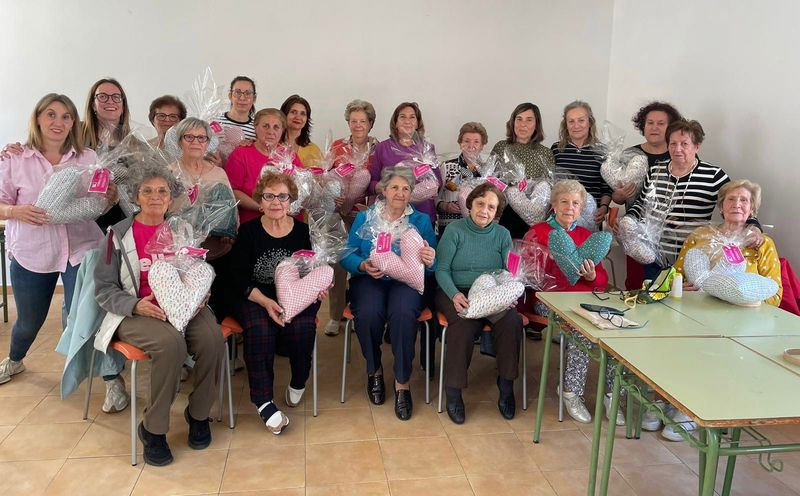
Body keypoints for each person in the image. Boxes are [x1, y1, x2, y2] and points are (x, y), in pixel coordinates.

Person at [93, 163, 224, 466]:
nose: (155, 196)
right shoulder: (117, 235)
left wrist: (199, 294)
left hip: (183, 304)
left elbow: (194, 269)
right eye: (147, 191)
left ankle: (199, 413)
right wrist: (135, 305)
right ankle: (153, 429)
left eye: (162, 191)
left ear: (170, 197)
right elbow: (103, 289)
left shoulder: (182, 229)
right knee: (170, 345)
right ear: (136, 196)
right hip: (136, 311)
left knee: (212, 338)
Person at [0, 93, 112, 385]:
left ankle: (113, 379)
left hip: (81, 248)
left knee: (90, 315)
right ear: (37, 118)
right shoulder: (14, 158)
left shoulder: (88, 158)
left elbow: (97, 201)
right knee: (29, 321)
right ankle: (15, 360)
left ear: (74, 122)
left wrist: (107, 199)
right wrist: (15, 211)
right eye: (50, 114)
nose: (58, 122)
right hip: (32, 252)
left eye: (65, 116)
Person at [229, 171, 327, 434]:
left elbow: (312, 270)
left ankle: (298, 380)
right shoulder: (248, 232)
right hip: (255, 296)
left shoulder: (304, 232)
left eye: (282, 196)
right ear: (260, 201)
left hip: (295, 295)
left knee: (301, 328)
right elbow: (237, 278)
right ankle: (263, 401)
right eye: (269, 196)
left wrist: (318, 288)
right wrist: (265, 301)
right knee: (260, 330)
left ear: (291, 201)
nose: (275, 202)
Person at [524, 180, 623, 425]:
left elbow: (601, 279)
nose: (570, 207)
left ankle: (612, 395)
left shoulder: (587, 236)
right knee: (581, 331)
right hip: (548, 299)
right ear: (554, 205)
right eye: (564, 202)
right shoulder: (537, 232)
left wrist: (591, 276)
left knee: (616, 327)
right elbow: (527, 275)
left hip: (583, 299)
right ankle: (571, 391)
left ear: (581, 209)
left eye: (575, 203)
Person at [341, 167, 437, 420]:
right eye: (395, 187)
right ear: (383, 190)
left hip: (406, 282)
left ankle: (402, 383)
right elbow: (347, 254)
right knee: (369, 313)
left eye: (406, 189)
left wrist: (430, 260)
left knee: (403, 314)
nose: (400, 193)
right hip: (369, 279)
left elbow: (432, 265)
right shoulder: (366, 217)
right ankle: (375, 371)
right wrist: (361, 265)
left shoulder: (421, 221)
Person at [436, 183, 523, 423]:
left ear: (497, 212)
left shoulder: (503, 235)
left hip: (491, 291)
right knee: (463, 326)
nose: (485, 210)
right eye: (480, 204)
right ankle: (453, 393)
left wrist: (508, 294)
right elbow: (441, 269)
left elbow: (509, 271)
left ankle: (506, 386)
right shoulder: (454, 230)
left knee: (511, 322)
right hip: (456, 289)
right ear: (470, 204)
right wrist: (454, 294)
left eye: (491, 207)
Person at [624, 119, 752, 281]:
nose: (677, 149)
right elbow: (642, 204)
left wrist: (754, 227)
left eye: (684, 144)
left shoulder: (713, 176)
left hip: (693, 258)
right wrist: (627, 220)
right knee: (654, 301)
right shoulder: (655, 170)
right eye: (673, 144)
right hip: (653, 256)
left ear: (697, 146)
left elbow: (737, 204)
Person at [612, 102, 683, 290]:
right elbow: (617, 198)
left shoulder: (679, 153)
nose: (654, 127)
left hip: (670, 234)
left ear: (671, 127)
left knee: (665, 284)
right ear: (642, 126)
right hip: (635, 231)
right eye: (650, 122)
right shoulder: (630, 155)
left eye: (661, 123)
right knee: (636, 283)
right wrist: (619, 195)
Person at [324, 99, 379, 337]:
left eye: (362, 121)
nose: (358, 125)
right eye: (353, 121)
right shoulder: (337, 147)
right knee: (336, 264)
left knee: (361, 264)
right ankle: (335, 316)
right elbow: (326, 176)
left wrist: (368, 205)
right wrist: (333, 195)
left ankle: (358, 312)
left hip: (366, 215)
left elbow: (379, 180)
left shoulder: (379, 148)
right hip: (338, 214)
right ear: (348, 122)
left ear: (370, 124)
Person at [225, 108, 303, 224]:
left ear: (282, 130)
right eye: (265, 126)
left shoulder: (290, 156)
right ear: (255, 127)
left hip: (288, 222)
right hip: (253, 223)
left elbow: (302, 189)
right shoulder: (241, 154)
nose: (270, 131)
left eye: (276, 127)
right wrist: (263, 208)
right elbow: (232, 191)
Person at [370, 102, 442, 226]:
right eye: (402, 117)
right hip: (390, 215)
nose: (407, 121)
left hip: (421, 213)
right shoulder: (382, 147)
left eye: (412, 117)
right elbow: (371, 182)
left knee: (423, 245)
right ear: (396, 122)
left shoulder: (427, 148)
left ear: (418, 123)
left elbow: (437, 181)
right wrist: (384, 187)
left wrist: (428, 189)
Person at [490, 102, 555, 239]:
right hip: (505, 215)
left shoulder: (546, 153)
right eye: (519, 119)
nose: (523, 124)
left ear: (536, 124)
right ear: (513, 122)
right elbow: (490, 179)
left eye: (529, 120)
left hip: (536, 218)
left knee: (531, 258)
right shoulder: (501, 147)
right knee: (508, 257)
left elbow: (551, 188)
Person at [551, 101, 612, 228]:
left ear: (589, 122)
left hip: (591, 218)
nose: (576, 125)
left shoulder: (602, 151)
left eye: (581, 120)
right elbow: (551, 183)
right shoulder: (556, 149)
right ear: (566, 125)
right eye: (571, 121)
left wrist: (604, 207)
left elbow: (606, 187)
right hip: (561, 219)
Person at [437, 122, 487, 233]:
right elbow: (433, 199)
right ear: (460, 143)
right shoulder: (447, 167)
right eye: (466, 141)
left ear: (482, 145)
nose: (471, 146)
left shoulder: (487, 171)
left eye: (476, 142)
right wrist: (446, 206)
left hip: (479, 229)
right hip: (450, 228)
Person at [281, 94, 323, 167]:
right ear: (284, 115)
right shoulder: (272, 145)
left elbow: (320, 176)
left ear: (307, 119)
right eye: (293, 112)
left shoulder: (313, 150)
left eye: (303, 114)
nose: (298, 117)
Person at [216, 76, 257, 141]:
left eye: (248, 93)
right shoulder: (215, 121)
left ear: (254, 98)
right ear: (230, 96)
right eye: (237, 92)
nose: (242, 98)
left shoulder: (257, 128)